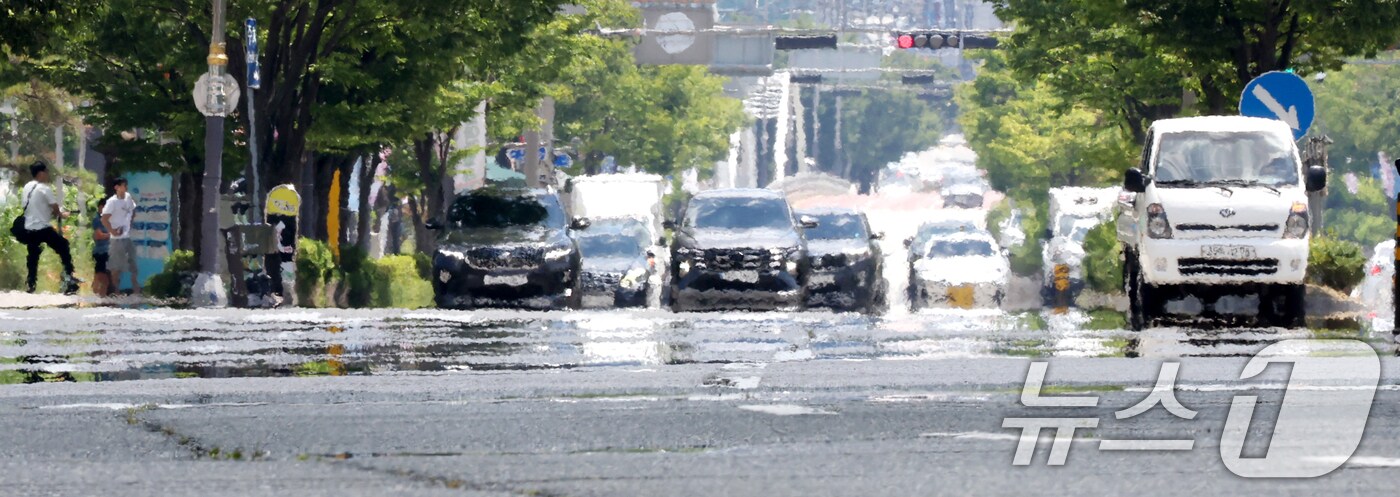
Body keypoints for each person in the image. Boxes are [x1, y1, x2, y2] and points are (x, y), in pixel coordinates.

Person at [20, 162, 79, 294]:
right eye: (46, 172)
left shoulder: (27, 187)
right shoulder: (44, 188)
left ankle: (30, 284)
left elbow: (34, 206)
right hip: (42, 228)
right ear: (41, 173)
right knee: (63, 246)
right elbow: (55, 208)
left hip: (29, 228)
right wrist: (61, 214)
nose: (47, 174)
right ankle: (69, 278)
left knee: (33, 256)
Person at [102, 177, 140, 295]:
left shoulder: (128, 197)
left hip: (127, 237)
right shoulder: (112, 202)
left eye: (126, 185)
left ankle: (136, 289)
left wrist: (130, 222)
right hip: (116, 239)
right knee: (116, 266)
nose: (125, 187)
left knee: (133, 262)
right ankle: (116, 291)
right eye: (123, 185)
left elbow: (133, 209)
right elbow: (104, 219)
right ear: (116, 187)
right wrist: (112, 231)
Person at [91, 196, 112, 297]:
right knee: (101, 276)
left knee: (104, 277)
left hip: (106, 251)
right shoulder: (97, 219)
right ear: (100, 207)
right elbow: (98, 235)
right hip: (101, 252)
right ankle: (97, 297)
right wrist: (111, 235)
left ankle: (99, 297)